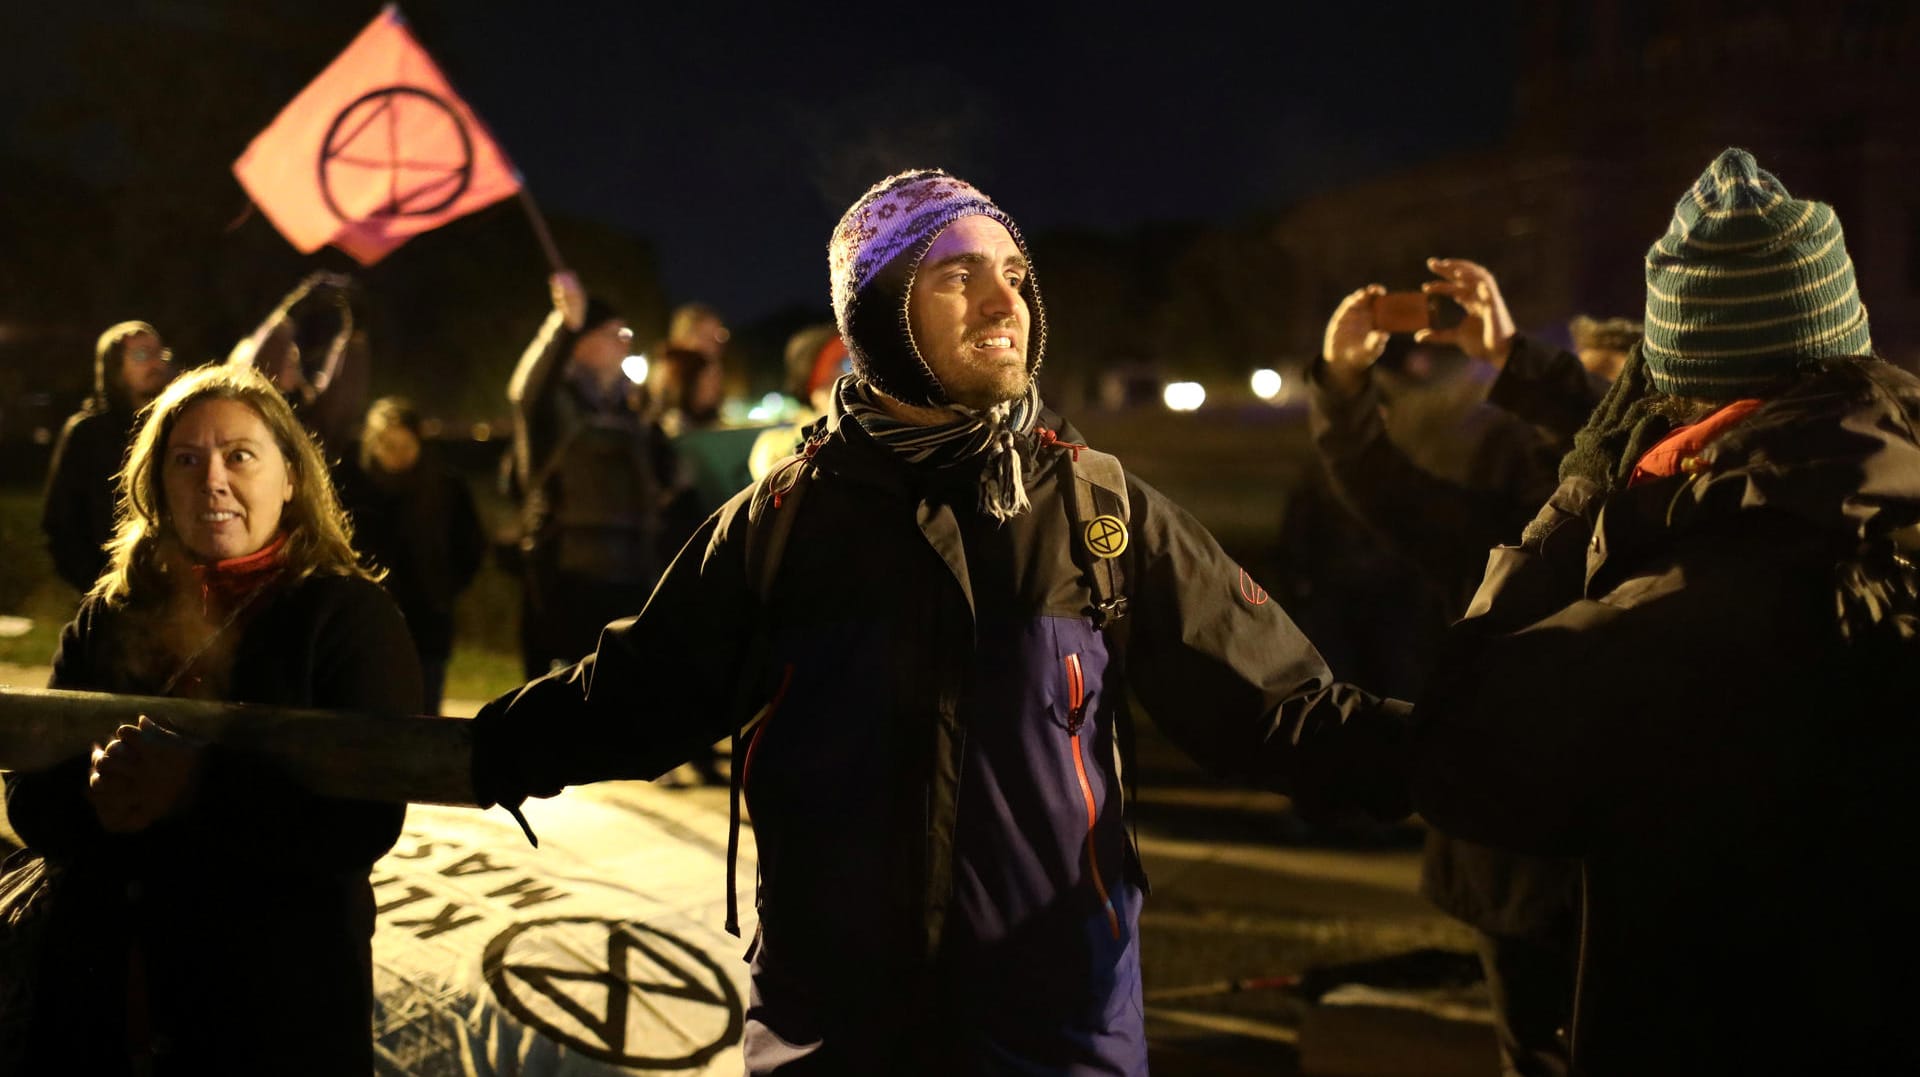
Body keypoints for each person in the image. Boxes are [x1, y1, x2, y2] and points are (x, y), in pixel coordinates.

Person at [470, 169, 1412, 1074]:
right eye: (958, 276)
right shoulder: (782, 524)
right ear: (874, 312)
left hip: (1058, 1039)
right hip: (835, 1041)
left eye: (1013, 275)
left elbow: (1287, 713)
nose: (1007, 304)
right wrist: (439, 754)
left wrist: (1468, 753)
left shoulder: (1099, 512)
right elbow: (630, 700)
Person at [1411, 148, 1920, 1075]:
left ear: (1678, 378)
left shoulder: (1700, 590)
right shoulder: (1888, 485)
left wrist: (1580, 490)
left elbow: (1470, 731)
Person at [3, 363, 420, 1075]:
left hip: (272, 1014)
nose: (212, 480)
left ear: (290, 476)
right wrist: (96, 795)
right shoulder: (111, 613)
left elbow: (363, 822)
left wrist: (195, 789)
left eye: (240, 455)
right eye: (187, 459)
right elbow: (33, 795)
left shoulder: (346, 617)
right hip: (100, 1002)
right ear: (157, 482)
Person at [1313, 262, 1630, 1077]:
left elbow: (1615, 450)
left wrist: (1514, 355)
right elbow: (1379, 484)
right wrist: (1344, 381)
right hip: (1515, 866)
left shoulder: (1659, 514)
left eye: (1589, 395)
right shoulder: (1505, 528)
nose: (1552, 413)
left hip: (1623, 857)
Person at [506, 271, 678, 679]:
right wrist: (562, 325)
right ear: (580, 343)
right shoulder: (553, 407)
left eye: (626, 332)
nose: (626, 342)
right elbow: (525, 392)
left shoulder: (634, 411)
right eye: (612, 333)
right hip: (565, 581)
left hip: (631, 578)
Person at [337, 397, 485, 715]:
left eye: (406, 445)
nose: (398, 455)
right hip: (366, 621)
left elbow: (470, 545)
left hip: (428, 621)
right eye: (388, 445)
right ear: (372, 444)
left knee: (425, 711)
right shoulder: (350, 488)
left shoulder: (445, 488)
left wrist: (444, 588)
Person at [41, 321, 177, 592]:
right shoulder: (89, 434)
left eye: (159, 354)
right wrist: (99, 583)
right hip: (112, 587)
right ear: (115, 368)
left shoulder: (177, 425)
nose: (155, 364)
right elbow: (62, 521)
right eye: (140, 355)